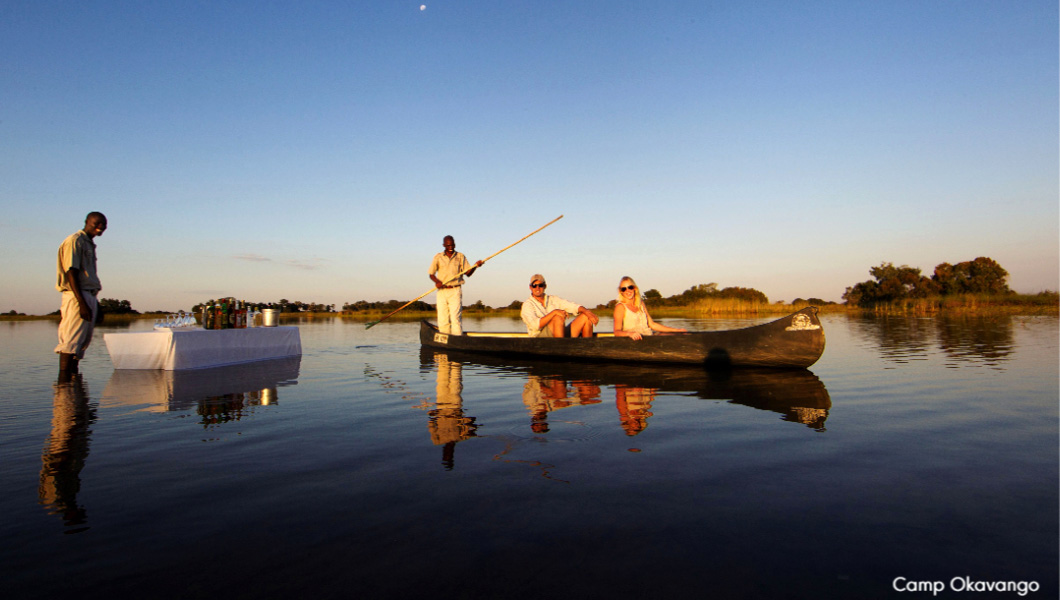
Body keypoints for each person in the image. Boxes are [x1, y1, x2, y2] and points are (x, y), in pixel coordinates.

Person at [55, 212, 108, 375]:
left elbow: (88, 276)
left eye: (103, 225)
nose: (100, 228)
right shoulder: (75, 240)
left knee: (80, 344)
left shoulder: (89, 244)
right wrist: (82, 303)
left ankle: (73, 386)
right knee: (70, 342)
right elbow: (71, 271)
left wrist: (95, 304)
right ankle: (64, 386)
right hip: (77, 295)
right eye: (96, 224)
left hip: (88, 295)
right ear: (87, 222)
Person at [428, 235, 483, 335]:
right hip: (442, 291)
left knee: (455, 318)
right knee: (443, 318)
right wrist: (437, 282)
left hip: (455, 290)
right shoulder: (438, 257)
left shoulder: (460, 256)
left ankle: (457, 338)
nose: (451, 247)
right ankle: (445, 339)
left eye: (452, 245)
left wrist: (475, 266)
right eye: (448, 245)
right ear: (444, 245)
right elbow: (431, 274)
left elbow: (468, 273)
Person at [520, 274, 599, 338]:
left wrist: (587, 312)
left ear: (545, 286)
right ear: (530, 287)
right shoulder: (527, 305)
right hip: (539, 339)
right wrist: (554, 313)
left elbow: (571, 306)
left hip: (558, 334)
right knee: (557, 317)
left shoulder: (553, 299)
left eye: (540, 285)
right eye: (534, 285)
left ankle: (587, 352)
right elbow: (534, 325)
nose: (537, 288)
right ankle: (561, 354)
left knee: (586, 317)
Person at [612, 276, 686, 340]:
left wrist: (677, 330)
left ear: (635, 288)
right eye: (624, 289)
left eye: (630, 287)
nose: (628, 291)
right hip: (633, 341)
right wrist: (629, 334)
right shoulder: (620, 307)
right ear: (621, 291)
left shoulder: (640, 303)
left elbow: (652, 324)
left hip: (648, 337)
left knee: (679, 335)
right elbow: (617, 332)